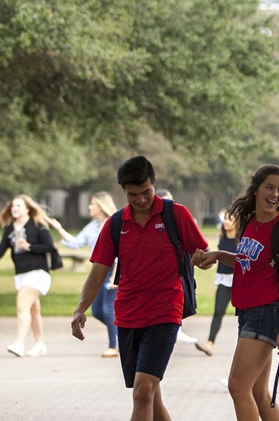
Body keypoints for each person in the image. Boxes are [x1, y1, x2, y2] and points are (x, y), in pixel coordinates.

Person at [70, 156, 209, 421]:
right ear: (123, 190)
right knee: (151, 396)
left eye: (146, 192)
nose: (142, 200)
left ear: (154, 182)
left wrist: (203, 258)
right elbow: (98, 270)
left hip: (165, 313)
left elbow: (202, 255)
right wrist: (80, 309)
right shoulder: (115, 224)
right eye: (133, 194)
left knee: (142, 391)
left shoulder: (175, 214)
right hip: (128, 316)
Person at [193, 164, 279, 421]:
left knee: (238, 386)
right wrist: (219, 255)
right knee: (258, 393)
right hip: (248, 312)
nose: (275, 194)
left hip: (267, 312)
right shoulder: (251, 222)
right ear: (256, 189)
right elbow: (247, 260)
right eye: (270, 187)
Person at [0, 195, 56, 357]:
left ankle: (19, 343)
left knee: (22, 305)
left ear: (27, 208)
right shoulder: (10, 229)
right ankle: (40, 344)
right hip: (21, 275)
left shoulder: (37, 225)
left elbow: (50, 246)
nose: (15, 209)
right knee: (33, 310)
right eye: (13, 206)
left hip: (38, 273)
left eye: (19, 205)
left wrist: (29, 246)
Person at [48, 192, 119, 358]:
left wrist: (114, 276)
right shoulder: (92, 226)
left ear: (101, 206)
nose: (89, 207)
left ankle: (114, 346)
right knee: (96, 311)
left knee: (109, 309)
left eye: (93, 204)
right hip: (98, 269)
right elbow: (76, 243)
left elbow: (118, 253)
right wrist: (59, 228)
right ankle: (123, 331)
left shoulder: (113, 223)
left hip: (113, 270)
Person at [156, 188, 199, 346]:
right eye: (167, 200)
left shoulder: (180, 216)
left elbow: (202, 251)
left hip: (177, 281)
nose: (171, 204)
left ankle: (176, 331)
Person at [195, 211, 239, 357]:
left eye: (230, 219)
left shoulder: (242, 240)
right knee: (218, 311)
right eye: (225, 219)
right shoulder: (221, 238)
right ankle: (210, 343)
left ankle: (244, 344)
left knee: (243, 313)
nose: (226, 222)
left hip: (239, 280)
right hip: (223, 279)